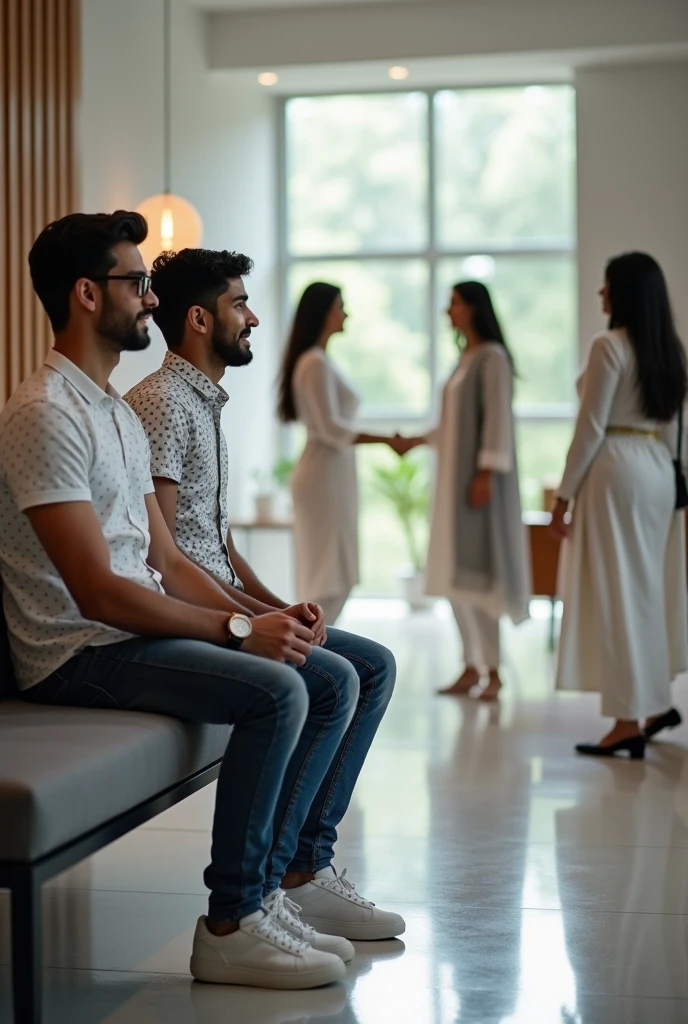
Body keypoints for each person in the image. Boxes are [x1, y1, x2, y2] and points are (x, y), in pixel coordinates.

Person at [0, 211, 378, 994]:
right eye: (135, 283)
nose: (149, 299)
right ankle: (233, 923)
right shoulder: (44, 413)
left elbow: (167, 559)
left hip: (120, 633)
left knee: (331, 673)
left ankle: (271, 893)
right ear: (83, 294)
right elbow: (98, 590)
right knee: (281, 689)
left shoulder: (111, 410)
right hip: (75, 652)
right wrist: (242, 629)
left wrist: (259, 617)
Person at [124, 249, 404, 947]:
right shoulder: (161, 402)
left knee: (374, 665)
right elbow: (169, 558)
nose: (252, 318)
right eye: (239, 305)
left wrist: (283, 603)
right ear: (198, 319)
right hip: (188, 614)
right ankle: (269, 890)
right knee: (336, 677)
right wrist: (253, 620)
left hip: (222, 600)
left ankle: (306, 868)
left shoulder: (205, 402)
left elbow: (216, 541)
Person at [551, 252, 688, 759]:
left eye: (607, 286)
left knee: (620, 592)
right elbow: (676, 431)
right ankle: (653, 706)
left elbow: (590, 428)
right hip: (656, 469)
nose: (600, 294)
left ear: (624, 292)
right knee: (647, 589)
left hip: (616, 470)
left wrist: (563, 496)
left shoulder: (608, 346)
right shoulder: (667, 350)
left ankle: (627, 720)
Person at [401, 282, 531, 701]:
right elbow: (450, 425)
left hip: (476, 486)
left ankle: (493, 671)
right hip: (452, 484)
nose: (448, 311)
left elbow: (496, 420)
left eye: (454, 303)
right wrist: (416, 441)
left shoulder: (492, 357)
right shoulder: (465, 359)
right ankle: (470, 665)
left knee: (479, 577)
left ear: (474, 308)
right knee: (456, 577)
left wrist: (485, 474)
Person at [276, 282, 407, 625]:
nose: (345, 313)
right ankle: (310, 652)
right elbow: (332, 429)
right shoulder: (315, 363)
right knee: (327, 575)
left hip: (330, 474)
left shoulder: (317, 361)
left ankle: (313, 651)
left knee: (331, 570)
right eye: (340, 306)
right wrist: (386, 440)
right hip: (324, 476)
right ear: (323, 313)